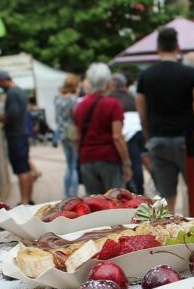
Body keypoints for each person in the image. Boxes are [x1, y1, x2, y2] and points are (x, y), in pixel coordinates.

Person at [136, 27, 194, 213]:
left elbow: (142, 114)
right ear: (178, 47)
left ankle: (169, 229)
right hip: (187, 140)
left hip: (158, 140)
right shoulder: (192, 74)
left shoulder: (145, 76)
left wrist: (148, 136)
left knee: (166, 198)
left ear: (157, 48)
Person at [74, 63, 132, 195]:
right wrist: (127, 163)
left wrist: (81, 157)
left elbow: (77, 137)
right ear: (107, 82)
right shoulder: (113, 104)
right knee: (115, 200)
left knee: (94, 202)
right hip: (109, 158)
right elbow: (117, 137)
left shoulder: (80, 106)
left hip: (87, 159)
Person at [0, 70, 35, 204]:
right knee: (26, 169)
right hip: (22, 134)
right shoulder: (20, 91)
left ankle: (24, 201)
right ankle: (28, 199)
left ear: (3, 80)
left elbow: (12, 114)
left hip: (15, 136)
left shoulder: (11, 93)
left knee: (22, 171)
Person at [109, 72, 145, 195]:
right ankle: (140, 189)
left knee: (129, 162)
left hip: (126, 133)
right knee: (138, 162)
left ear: (112, 85)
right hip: (138, 130)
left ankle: (131, 190)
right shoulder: (131, 96)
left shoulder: (111, 98)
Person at [54, 74, 80, 197]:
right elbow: (76, 117)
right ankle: (73, 194)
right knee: (74, 165)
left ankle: (66, 193)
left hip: (62, 133)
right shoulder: (73, 99)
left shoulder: (57, 99)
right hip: (72, 134)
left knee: (68, 165)